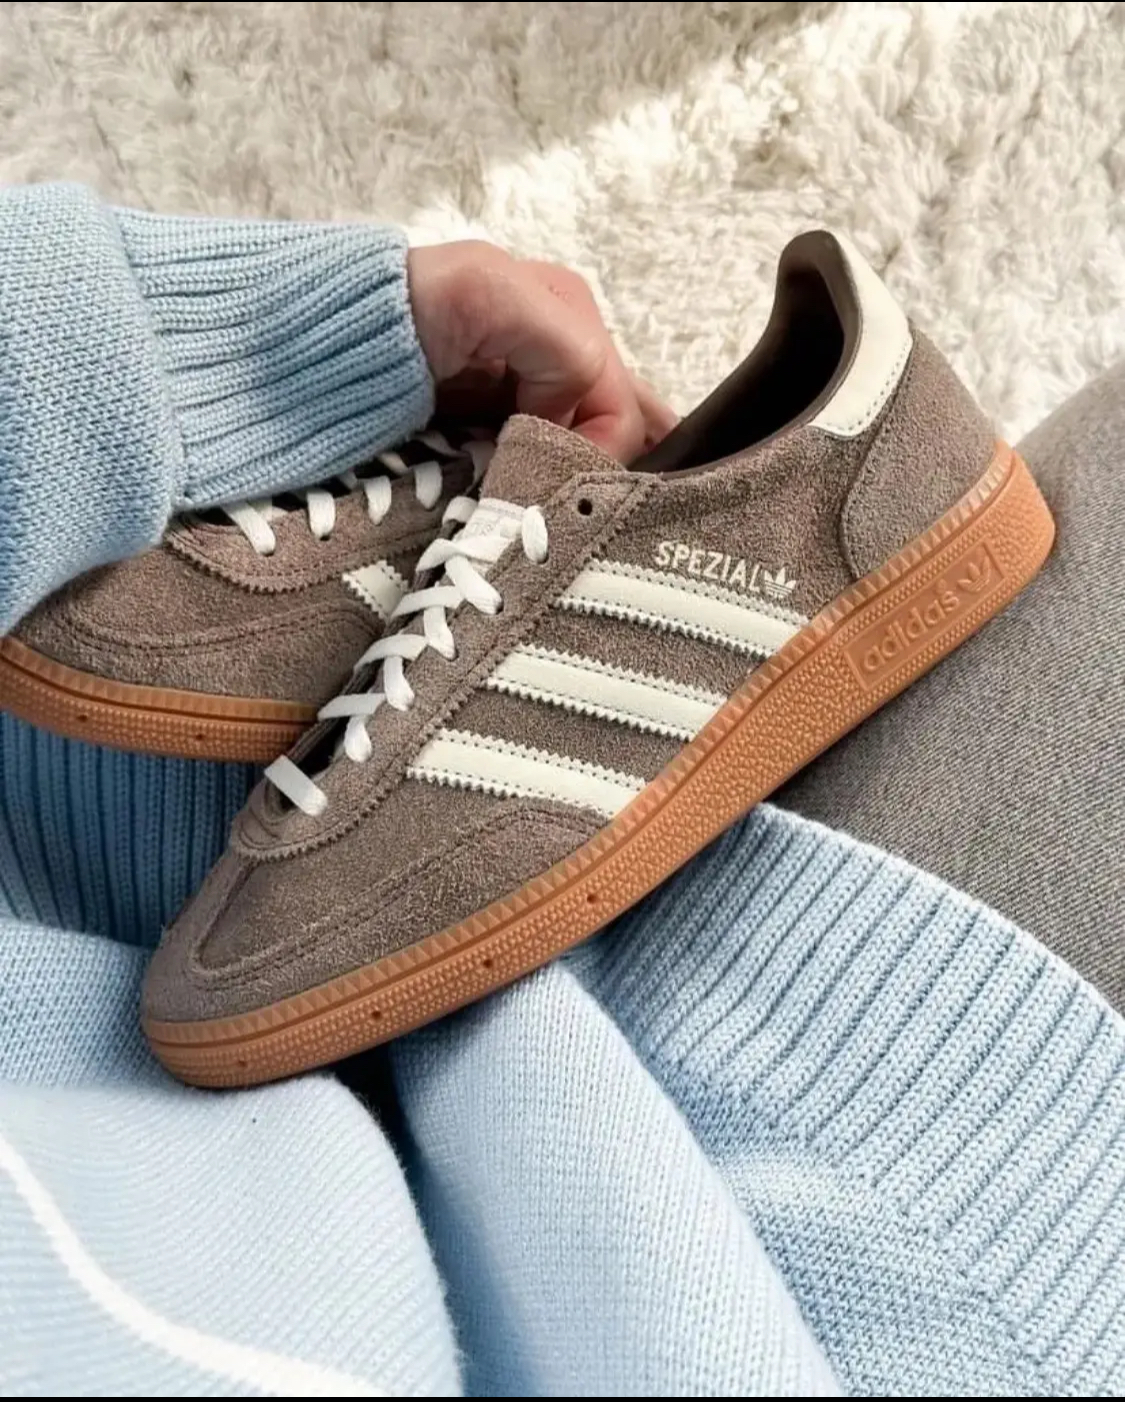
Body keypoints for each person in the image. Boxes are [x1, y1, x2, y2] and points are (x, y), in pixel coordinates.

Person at [0, 185, 1121, 1396]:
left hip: (637, 1062)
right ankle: (807, 497)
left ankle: (673, 526)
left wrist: (188, 341)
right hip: (867, 1209)